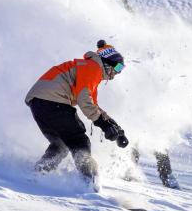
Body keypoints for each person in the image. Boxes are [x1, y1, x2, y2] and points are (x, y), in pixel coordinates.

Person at [25, 40, 128, 190]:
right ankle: (88, 183)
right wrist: (104, 125)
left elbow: (93, 106)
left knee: (60, 144)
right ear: (108, 61)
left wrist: (115, 128)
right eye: (118, 67)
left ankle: (38, 175)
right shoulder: (93, 67)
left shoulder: (89, 70)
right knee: (79, 140)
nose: (117, 73)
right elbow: (84, 101)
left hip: (39, 104)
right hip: (53, 100)